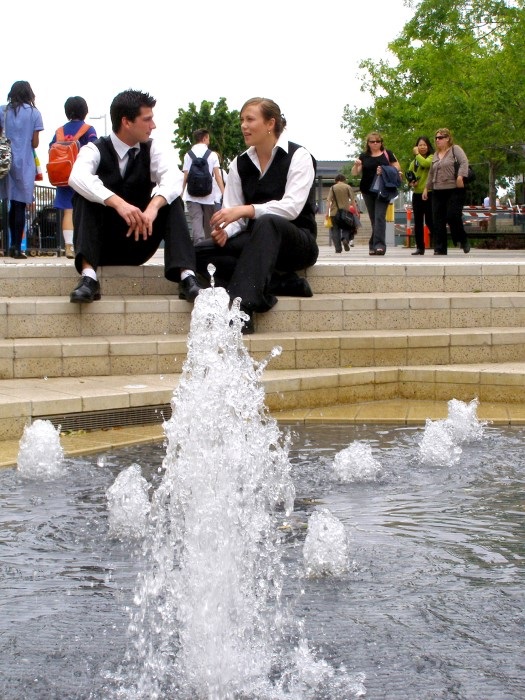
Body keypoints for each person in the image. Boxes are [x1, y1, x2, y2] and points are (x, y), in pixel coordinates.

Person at [195, 97, 319, 334]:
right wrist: (225, 231)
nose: (243, 125)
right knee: (197, 253)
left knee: (268, 221)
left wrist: (248, 209)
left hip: (296, 243)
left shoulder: (299, 156)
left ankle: (242, 309)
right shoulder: (240, 164)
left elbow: (291, 208)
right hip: (255, 243)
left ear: (270, 123)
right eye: (241, 120)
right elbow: (235, 216)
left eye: (250, 119)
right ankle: (278, 283)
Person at [68, 89, 202, 303]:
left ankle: (187, 277)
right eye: (147, 119)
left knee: (170, 198)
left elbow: (174, 178)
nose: (153, 125)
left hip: (140, 240)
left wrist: (153, 208)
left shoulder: (153, 148)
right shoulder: (95, 149)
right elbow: (77, 176)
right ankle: (88, 278)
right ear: (126, 122)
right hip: (102, 246)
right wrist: (119, 204)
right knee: (85, 195)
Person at [0, 80, 44, 259]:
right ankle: (17, 248)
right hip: (25, 162)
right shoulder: (35, 113)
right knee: (20, 206)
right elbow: (35, 143)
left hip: (5, 162)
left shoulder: (3, 110)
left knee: (8, 203)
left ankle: (9, 246)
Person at [50, 96, 97, 259]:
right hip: (81, 174)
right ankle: (82, 245)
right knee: (83, 211)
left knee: (68, 212)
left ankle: (68, 247)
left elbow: (51, 148)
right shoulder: (88, 129)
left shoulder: (59, 131)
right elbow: (95, 148)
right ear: (85, 111)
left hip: (63, 176)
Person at [351, 131, 401, 255]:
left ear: (381, 142)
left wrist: (384, 169)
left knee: (379, 217)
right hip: (367, 190)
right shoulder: (363, 156)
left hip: (383, 189)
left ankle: (379, 245)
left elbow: (397, 168)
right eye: (372, 141)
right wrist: (356, 165)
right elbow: (355, 173)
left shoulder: (387, 154)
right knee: (374, 218)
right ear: (368, 143)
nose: (375, 144)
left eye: (377, 141)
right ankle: (373, 244)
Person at [423, 128, 470, 255]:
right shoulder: (435, 155)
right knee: (437, 220)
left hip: (454, 189)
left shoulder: (455, 150)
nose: (438, 140)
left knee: (452, 215)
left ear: (448, 138)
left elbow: (464, 162)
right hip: (438, 190)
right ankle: (440, 247)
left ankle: (462, 238)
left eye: (441, 137)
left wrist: (460, 176)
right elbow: (431, 172)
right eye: (436, 138)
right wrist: (427, 188)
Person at [182, 129, 224, 243]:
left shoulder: (188, 155)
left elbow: (185, 176)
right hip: (208, 195)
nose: (209, 141)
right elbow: (217, 176)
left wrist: (181, 193)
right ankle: (208, 247)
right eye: (208, 138)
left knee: (196, 221)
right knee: (209, 224)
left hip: (192, 195)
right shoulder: (212, 155)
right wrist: (224, 193)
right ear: (205, 138)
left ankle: (198, 247)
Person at [406, 135, 434, 255]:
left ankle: (438, 244)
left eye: (424, 145)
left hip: (429, 193)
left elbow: (426, 164)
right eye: (419, 145)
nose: (422, 147)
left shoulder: (433, 157)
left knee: (430, 220)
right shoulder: (414, 162)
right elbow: (409, 174)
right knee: (417, 222)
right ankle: (420, 247)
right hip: (417, 194)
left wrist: (417, 154)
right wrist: (411, 182)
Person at [326, 174, 358, 253]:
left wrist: (327, 213)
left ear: (336, 180)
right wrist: (356, 212)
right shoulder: (347, 187)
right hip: (346, 212)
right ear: (344, 179)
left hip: (334, 213)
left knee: (335, 230)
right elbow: (353, 201)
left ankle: (338, 249)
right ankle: (345, 239)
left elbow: (328, 201)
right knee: (347, 227)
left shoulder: (333, 188)